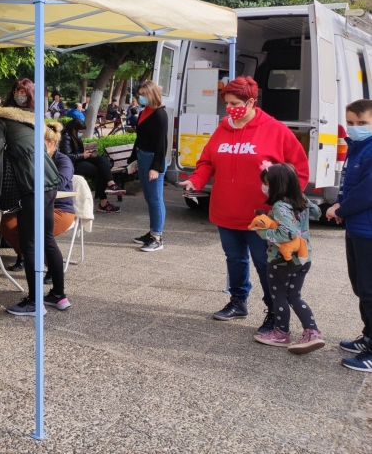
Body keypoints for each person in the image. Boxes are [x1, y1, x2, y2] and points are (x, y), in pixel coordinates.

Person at [179, 76, 309, 336]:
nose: (230, 108)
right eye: (226, 103)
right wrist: (195, 180)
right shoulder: (223, 128)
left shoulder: (275, 130)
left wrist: (285, 206)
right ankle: (238, 301)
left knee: (264, 263)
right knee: (234, 259)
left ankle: (274, 310)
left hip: (263, 216)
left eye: (235, 103)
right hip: (226, 210)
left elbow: (299, 171)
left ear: (251, 101)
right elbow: (206, 162)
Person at [0, 79, 68, 316]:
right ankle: (58, 295)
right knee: (46, 239)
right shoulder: (30, 120)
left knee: (30, 244)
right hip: (49, 183)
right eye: (17, 90)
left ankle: (35, 302)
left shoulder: (0, 121)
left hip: (33, 186)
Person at [250, 163, 324, 353]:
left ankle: (281, 333)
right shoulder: (301, 199)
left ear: (277, 184)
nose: (264, 187)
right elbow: (317, 212)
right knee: (294, 296)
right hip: (304, 258)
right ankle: (312, 333)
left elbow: (287, 234)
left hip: (282, 261)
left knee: (279, 297)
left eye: (267, 183)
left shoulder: (280, 206)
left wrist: (263, 233)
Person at [0, 122, 75, 290]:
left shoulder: (63, 160)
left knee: (36, 236)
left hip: (59, 208)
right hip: (32, 204)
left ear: (51, 143)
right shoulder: (32, 158)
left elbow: (60, 183)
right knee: (7, 223)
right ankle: (30, 257)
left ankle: (46, 268)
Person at [326, 99, 372, 371]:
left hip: (367, 230)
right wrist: (338, 204)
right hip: (357, 227)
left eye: (362, 123)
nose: (355, 128)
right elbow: (348, 184)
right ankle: (368, 336)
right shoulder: (357, 148)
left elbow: (367, 192)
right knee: (360, 286)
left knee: (369, 289)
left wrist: (341, 207)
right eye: (351, 123)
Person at [127, 81, 169, 251]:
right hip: (143, 157)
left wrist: (156, 167)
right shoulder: (146, 111)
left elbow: (161, 143)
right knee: (150, 199)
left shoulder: (160, 114)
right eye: (140, 94)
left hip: (153, 160)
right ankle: (152, 232)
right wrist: (133, 159)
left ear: (152, 94)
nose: (140, 97)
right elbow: (140, 139)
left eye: (143, 94)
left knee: (155, 199)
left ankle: (157, 237)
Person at [60, 119, 124, 213]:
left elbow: (78, 151)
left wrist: (87, 152)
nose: (81, 134)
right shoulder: (66, 137)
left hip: (80, 159)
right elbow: (67, 156)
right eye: (80, 132)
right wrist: (82, 155)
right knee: (101, 173)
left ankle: (111, 184)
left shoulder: (74, 136)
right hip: (73, 164)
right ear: (74, 129)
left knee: (102, 159)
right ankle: (104, 204)